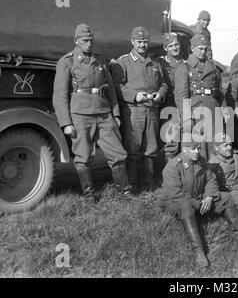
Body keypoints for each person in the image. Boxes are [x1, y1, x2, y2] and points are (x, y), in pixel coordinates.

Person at [53, 23, 131, 201]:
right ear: (76, 41)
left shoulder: (100, 60)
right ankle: (88, 194)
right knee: (83, 156)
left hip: (104, 113)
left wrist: (116, 113)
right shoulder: (67, 62)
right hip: (81, 115)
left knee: (117, 152)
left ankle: (124, 192)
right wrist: (66, 123)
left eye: (91, 40)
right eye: (85, 41)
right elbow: (60, 95)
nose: (89, 44)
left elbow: (110, 89)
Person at [162, 141, 238, 268]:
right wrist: (197, 203)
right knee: (185, 206)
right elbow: (176, 193)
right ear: (184, 150)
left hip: (200, 198)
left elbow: (211, 179)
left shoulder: (201, 161)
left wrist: (209, 197)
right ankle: (199, 251)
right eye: (193, 149)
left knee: (226, 197)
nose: (197, 151)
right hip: (178, 202)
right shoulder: (173, 166)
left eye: (198, 148)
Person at [112, 27, 168, 194]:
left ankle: (149, 183)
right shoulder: (123, 62)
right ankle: (133, 186)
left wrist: (160, 94)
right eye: (139, 42)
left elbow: (164, 84)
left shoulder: (155, 63)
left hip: (152, 110)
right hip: (133, 111)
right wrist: (135, 96)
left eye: (145, 42)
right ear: (132, 42)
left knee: (151, 149)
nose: (142, 45)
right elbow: (117, 86)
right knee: (134, 149)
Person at [174, 34, 223, 160]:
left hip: (212, 108)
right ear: (192, 48)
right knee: (198, 145)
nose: (203, 52)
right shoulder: (184, 67)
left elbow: (219, 92)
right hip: (195, 110)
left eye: (205, 49)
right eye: (200, 49)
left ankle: (214, 172)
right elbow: (181, 96)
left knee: (214, 143)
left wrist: (223, 110)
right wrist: (187, 118)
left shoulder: (212, 67)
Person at [159, 32, 184, 160]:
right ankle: (170, 174)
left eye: (176, 45)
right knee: (171, 142)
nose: (174, 48)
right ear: (165, 48)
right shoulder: (161, 63)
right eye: (170, 46)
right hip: (169, 105)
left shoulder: (185, 63)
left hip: (184, 105)